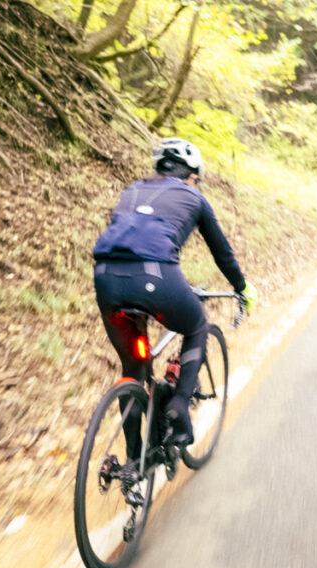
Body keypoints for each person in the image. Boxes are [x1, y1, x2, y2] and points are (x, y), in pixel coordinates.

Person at [92, 137, 255, 450]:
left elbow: (134, 235)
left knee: (134, 369)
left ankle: (133, 459)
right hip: (156, 276)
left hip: (106, 278)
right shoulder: (194, 197)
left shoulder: (132, 190)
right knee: (196, 326)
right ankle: (179, 406)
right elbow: (222, 253)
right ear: (192, 176)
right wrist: (241, 288)